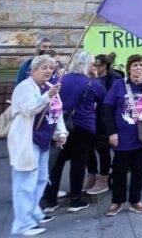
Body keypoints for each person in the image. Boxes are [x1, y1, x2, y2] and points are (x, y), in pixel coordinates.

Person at [8, 54, 67, 236]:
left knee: (41, 178)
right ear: (33, 71)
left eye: (51, 68)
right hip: (27, 140)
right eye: (44, 68)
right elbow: (29, 109)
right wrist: (46, 97)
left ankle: (33, 212)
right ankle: (23, 223)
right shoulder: (24, 88)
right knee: (25, 183)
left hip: (43, 140)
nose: (49, 71)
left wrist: (61, 132)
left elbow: (57, 112)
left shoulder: (50, 87)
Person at [42, 52, 106, 214]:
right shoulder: (91, 83)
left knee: (57, 162)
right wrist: (96, 78)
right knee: (78, 162)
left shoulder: (60, 79)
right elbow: (103, 97)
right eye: (92, 64)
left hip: (60, 126)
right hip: (84, 127)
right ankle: (75, 199)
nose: (93, 67)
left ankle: (50, 200)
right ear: (86, 65)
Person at [103, 54, 142, 217]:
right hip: (121, 136)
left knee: (138, 170)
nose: (138, 68)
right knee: (119, 170)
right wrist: (112, 132)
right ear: (129, 68)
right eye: (135, 65)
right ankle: (116, 202)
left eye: (141, 65)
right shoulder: (118, 84)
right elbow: (107, 108)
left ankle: (135, 201)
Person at [85, 53, 122, 195]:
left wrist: (95, 81)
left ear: (104, 66)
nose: (93, 67)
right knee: (88, 148)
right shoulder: (89, 76)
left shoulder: (114, 79)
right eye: (92, 65)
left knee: (103, 148)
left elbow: (109, 98)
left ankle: (103, 178)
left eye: (96, 65)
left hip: (105, 119)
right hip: (90, 118)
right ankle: (92, 175)